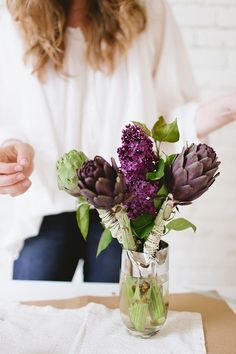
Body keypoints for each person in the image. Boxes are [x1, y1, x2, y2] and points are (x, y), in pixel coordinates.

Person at [0, 0, 235, 281]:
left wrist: (227, 107)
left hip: (126, 204)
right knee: (33, 312)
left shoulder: (149, 12)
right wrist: (10, 149)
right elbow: (10, 111)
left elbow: (171, 113)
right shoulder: (15, 16)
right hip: (45, 204)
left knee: (118, 316)